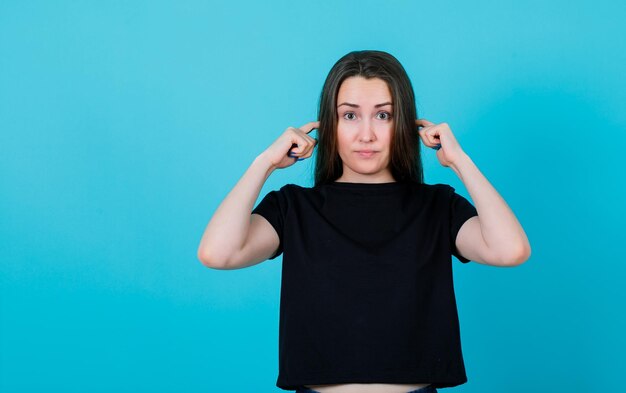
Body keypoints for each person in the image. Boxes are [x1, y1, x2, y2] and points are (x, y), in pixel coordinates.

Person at [197, 50, 531, 393]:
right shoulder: (293, 207)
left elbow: (510, 250)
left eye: (383, 115)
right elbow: (218, 253)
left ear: (403, 123)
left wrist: (460, 161)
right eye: (350, 116)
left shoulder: (437, 205)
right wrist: (264, 163)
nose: (366, 135)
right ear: (329, 124)